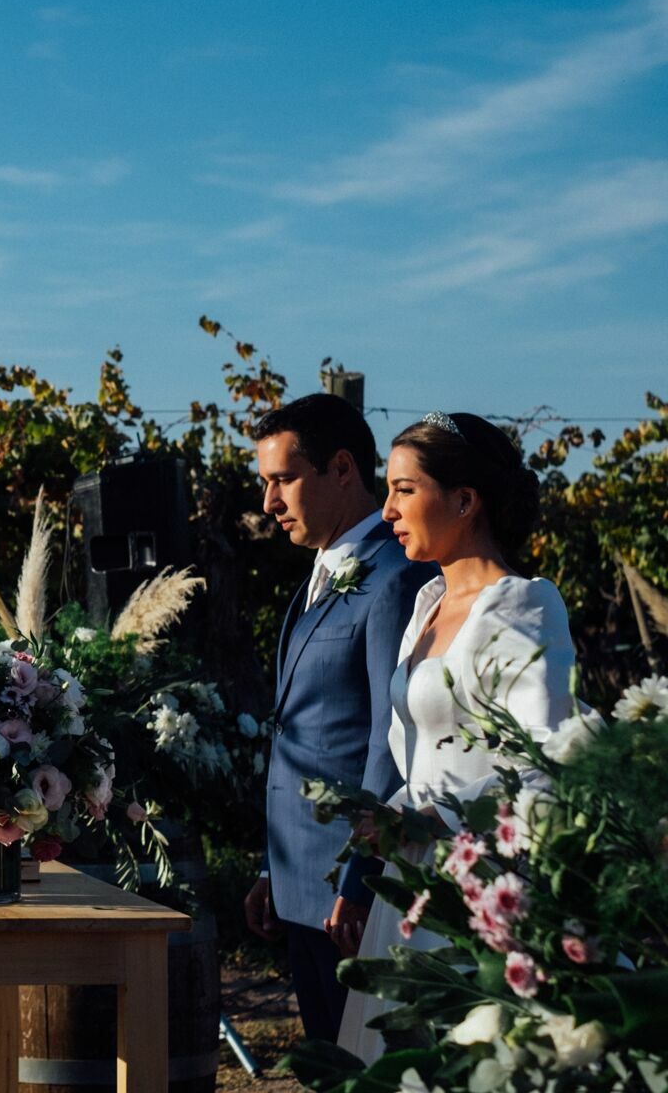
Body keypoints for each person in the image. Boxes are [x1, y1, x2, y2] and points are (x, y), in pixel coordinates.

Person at [336, 411, 576, 1063]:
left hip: (484, 884)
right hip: (413, 881)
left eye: (403, 490)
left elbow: (546, 758)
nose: (385, 510)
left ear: (465, 501)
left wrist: (434, 817)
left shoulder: (523, 606)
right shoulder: (426, 604)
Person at [246, 394, 435, 1042]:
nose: (270, 502)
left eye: (284, 480)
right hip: (303, 888)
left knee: (369, 1070)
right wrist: (274, 868)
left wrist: (360, 881)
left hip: (351, 898)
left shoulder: (396, 578)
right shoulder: (317, 579)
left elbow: (392, 739)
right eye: (265, 482)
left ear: (344, 468)